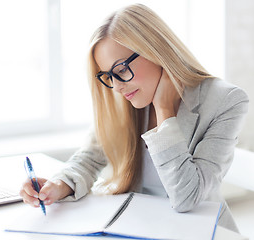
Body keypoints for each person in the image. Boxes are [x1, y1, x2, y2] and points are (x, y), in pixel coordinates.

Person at [20, 4, 249, 232]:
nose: (117, 87)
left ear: (155, 50)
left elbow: (187, 198)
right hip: (140, 227)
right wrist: (59, 185)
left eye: (121, 70)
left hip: (201, 232)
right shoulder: (126, 99)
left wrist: (164, 111)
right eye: (108, 76)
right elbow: (89, 158)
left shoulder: (226, 100)